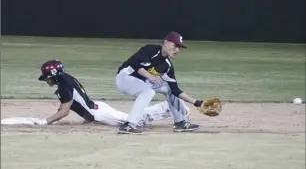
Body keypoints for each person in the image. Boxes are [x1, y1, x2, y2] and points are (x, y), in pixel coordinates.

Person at [32, 59, 191, 130]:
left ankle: (170, 108)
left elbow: (65, 110)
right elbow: (68, 103)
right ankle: (168, 108)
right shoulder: (65, 80)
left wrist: (46, 122)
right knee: (131, 118)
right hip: (97, 109)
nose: (47, 81)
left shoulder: (63, 86)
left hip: (100, 113)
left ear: (54, 76)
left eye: (48, 78)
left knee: (136, 121)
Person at [116, 31, 205, 134]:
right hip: (125, 78)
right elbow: (135, 65)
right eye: (175, 46)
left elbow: (176, 90)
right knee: (148, 92)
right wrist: (150, 76)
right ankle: (129, 125)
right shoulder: (150, 50)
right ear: (166, 42)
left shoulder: (167, 66)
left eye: (179, 47)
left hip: (143, 83)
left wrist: (195, 102)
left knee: (169, 89)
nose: (177, 50)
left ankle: (180, 122)